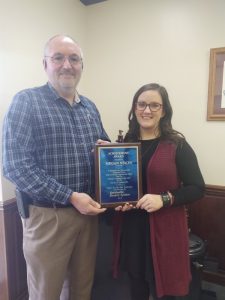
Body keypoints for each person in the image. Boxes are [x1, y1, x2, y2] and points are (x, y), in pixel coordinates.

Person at [2, 34, 109, 300]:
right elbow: (15, 166)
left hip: (88, 217)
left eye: (74, 59)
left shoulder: (90, 108)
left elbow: (105, 152)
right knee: (45, 292)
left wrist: (107, 155)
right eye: (58, 57)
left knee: (81, 289)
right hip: (48, 217)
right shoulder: (26, 102)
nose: (67, 65)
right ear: (45, 64)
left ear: (82, 65)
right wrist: (71, 197)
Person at [112, 83, 205, 300]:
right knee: (137, 285)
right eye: (142, 104)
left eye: (154, 105)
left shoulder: (177, 145)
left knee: (167, 290)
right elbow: (120, 183)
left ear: (164, 111)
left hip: (165, 229)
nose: (147, 110)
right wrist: (104, 156)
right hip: (134, 227)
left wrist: (164, 199)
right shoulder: (125, 143)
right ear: (135, 108)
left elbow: (197, 188)